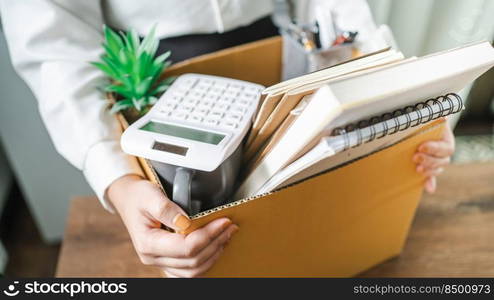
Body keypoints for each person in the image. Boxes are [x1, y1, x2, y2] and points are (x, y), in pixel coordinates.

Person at [0, 0, 454, 277]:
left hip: (283, 54)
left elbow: (335, 8)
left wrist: (400, 105)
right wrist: (117, 178)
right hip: (148, 72)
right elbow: (54, 42)